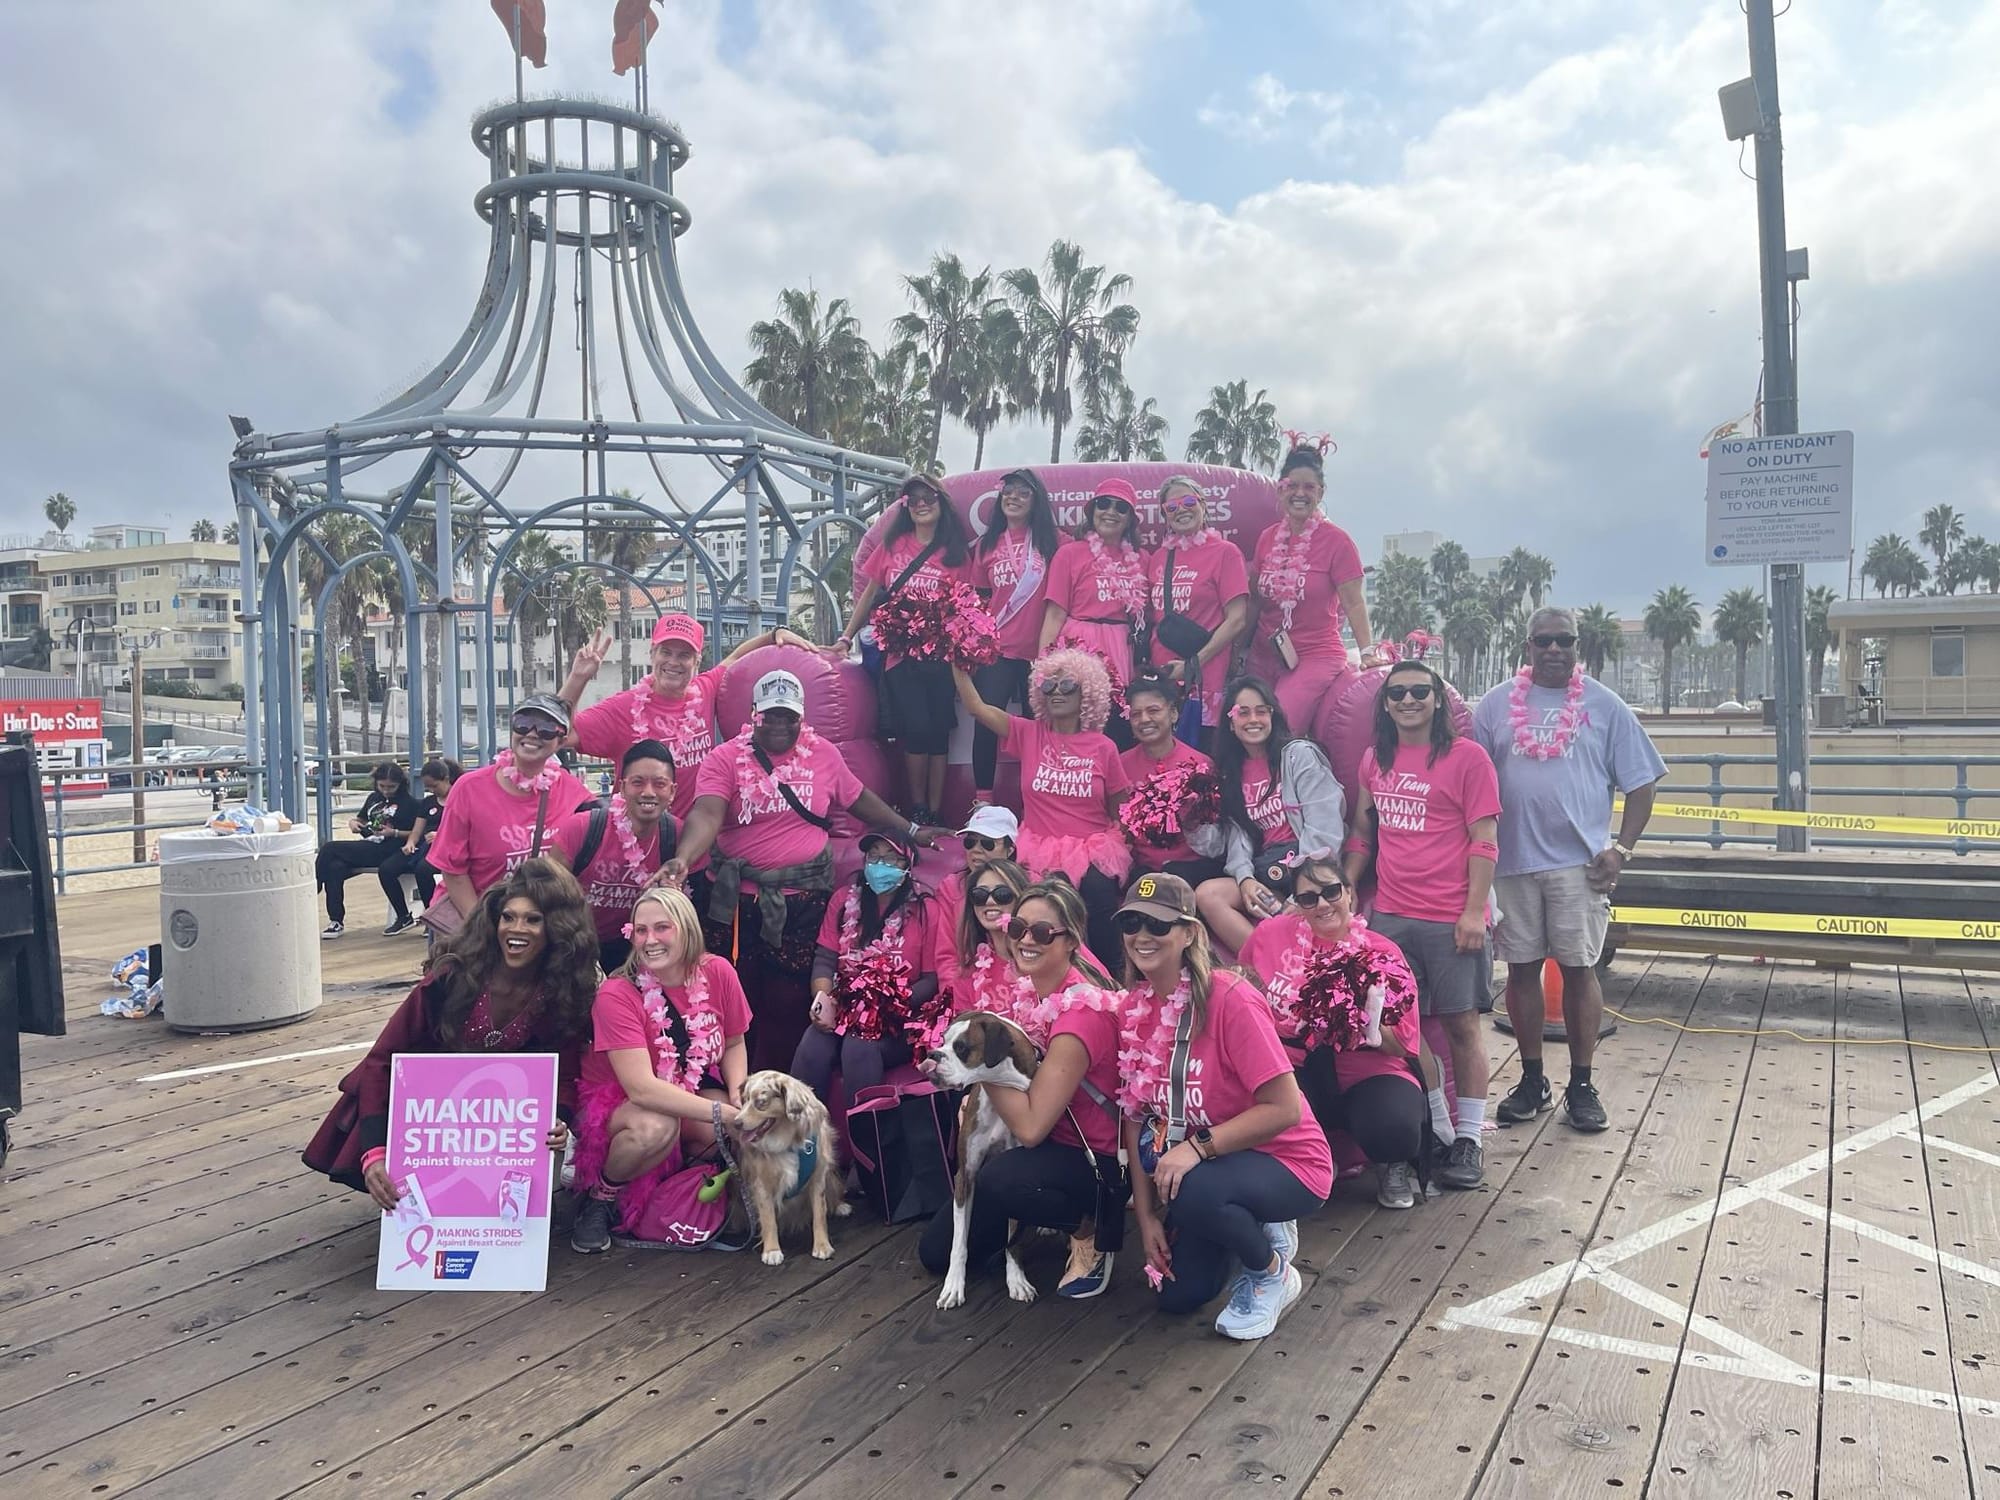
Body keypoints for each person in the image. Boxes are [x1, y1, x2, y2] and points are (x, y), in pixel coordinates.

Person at [664, 669, 943, 1072]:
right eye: (770, 716)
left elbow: (859, 799)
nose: (779, 725)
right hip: (736, 905)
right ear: (753, 714)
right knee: (735, 1000)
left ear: (802, 718)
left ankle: (787, 1097)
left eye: (788, 716)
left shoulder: (824, 755)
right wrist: (683, 859)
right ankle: (736, 1094)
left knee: (793, 1002)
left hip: (805, 902)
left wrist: (911, 830)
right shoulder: (723, 759)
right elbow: (707, 813)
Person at [303, 858, 598, 1205]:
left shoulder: (560, 991)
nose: (517, 928)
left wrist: (559, 1118)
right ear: (493, 919)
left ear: (556, 929)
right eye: (508, 916)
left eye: (533, 920)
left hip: (498, 1119)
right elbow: (383, 1060)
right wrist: (375, 1151)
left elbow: (563, 1072)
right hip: (424, 1115)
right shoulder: (452, 977)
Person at [1472, 607, 1665, 1134]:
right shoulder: (1494, 704)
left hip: (1579, 867)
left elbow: (1643, 783)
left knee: (1580, 971)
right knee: (1520, 970)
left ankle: (1582, 1084)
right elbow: (1469, 775)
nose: (1554, 649)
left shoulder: (1605, 705)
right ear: (1527, 645)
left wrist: (1621, 850)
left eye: (1564, 641)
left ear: (1577, 646)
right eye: (1544, 641)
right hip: (1510, 863)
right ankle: (1532, 1080)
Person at [1116, 872, 1330, 1338]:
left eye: (1159, 925)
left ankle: (1272, 1270)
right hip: (1206, 1168)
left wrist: (1196, 1149)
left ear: (1190, 932)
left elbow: (1284, 1109)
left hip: (1285, 1160)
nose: (1142, 936)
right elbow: (1136, 1120)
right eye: (1132, 922)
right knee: (1178, 1297)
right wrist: (1148, 1216)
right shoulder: (1134, 1008)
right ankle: (1246, 1223)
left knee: (1195, 1192)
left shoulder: (1230, 999)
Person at [917, 880, 1128, 1298]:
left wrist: (976, 1075)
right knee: (935, 1252)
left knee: (1000, 1180)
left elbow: (1030, 1127)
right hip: (1044, 1146)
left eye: (1043, 932)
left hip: (1086, 1156)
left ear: (1072, 940)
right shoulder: (1029, 996)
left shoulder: (1081, 1011)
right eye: (1018, 928)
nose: (1025, 940)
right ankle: (1022, 1234)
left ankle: (1087, 1230)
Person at [1344, 660, 1501, 1190]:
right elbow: (1364, 830)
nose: (1408, 700)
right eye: (1397, 693)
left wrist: (1473, 911)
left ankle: (1470, 1140)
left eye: (1419, 691)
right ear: (1384, 704)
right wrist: (1346, 885)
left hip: (1449, 916)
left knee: (1461, 1027)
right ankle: (1436, 1126)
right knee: (1402, 1032)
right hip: (1391, 915)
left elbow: (1484, 840)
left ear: (1437, 699)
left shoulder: (1467, 758)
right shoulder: (1374, 759)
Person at [569, 885, 752, 1253]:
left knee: (731, 1132)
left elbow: (733, 1042)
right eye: (640, 930)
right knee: (657, 1126)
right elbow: (642, 1090)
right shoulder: (617, 995)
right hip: (621, 1106)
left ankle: (672, 1192)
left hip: (686, 1088)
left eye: (661, 928)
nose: (650, 940)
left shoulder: (718, 972)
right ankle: (601, 1198)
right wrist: (725, 1113)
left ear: (686, 929)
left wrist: (740, 1098)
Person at [1239, 857, 1428, 1209]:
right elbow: (1243, 986)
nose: (1322, 904)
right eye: (1309, 898)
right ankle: (1312, 1161)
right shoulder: (1270, 935)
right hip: (1292, 1066)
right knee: (1256, 1103)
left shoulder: (1381, 952)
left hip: (1366, 1070)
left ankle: (1390, 1162)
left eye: (1331, 892)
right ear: (1297, 905)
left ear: (1349, 894)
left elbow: (1401, 1043)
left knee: (1393, 1124)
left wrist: (1363, 1015)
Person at [951, 651, 1131, 965]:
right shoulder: (1028, 733)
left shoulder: (1104, 747)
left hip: (1093, 847)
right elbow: (977, 708)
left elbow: (1120, 808)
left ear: (1086, 692)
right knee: (1049, 901)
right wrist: (957, 664)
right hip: (1039, 847)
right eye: (1048, 686)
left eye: (1067, 685)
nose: (1057, 692)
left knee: (1100, 895)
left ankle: (1110, 981)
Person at [561, 612, 814, 821]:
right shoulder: (623, 707)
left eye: (684, 655)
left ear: (697, 661)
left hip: (696, 848)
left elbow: (736, 657)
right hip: (636, 845)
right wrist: (578, 677)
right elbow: (561, 733)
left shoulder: (706, 688)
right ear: (652, 654)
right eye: (666, 652)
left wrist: (774, 634)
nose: (673, 662)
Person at [835, 474, 975, 825]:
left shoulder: (957, 554)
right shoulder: (893, 546)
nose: (921, 504)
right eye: (913, 499)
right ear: (906, 507)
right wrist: (846, 635)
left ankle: (936, 809)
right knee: (915, 729)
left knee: (940, 730)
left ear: (941, 503)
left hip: (942, 656)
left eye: (928, 497)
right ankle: (917, 808)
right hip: (901, 655)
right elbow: (870, 592)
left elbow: (966, 605)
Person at [1195, 678, 1347, 955]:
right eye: (1243, 712)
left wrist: (1300, 893)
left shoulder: (1298, 756)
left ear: (1272, 716)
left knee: (1299, 908)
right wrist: (1245, 880)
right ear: (1231, 723)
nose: (1253, 719)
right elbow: (1235, 838)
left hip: (1309, 868)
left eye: (1261, 711)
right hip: (1267, 872)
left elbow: (1325, 831)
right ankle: (1269, 967)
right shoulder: (1230, 772)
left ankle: (1275, 965)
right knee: (1208, 894)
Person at [792, 832, 941, 1112]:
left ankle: (868, 1147)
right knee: (814, 1043)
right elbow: (825, 958)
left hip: (900, 1018)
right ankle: (801, 1141)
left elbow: (931, 981)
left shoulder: (925, 910)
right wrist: (823, 999)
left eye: (889, 858)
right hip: (846, 1009)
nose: (879, 864)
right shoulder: (843, 900)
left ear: (906, 865)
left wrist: (880, 1006)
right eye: (874, 856)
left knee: (859, 1044)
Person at [1247, 442, 1385, 734]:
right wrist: (1239, 650)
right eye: (1292, 486)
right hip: (1265, 654)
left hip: (1315, 655)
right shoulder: (1267, 539)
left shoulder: (1337, 541)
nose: (1300, 493)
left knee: (1277, 728)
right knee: (1245, 725)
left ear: (1320, 493)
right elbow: (1256, 601)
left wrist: (1368, 651)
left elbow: (1354, 603)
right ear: (1280, 489)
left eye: (1309, 487)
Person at [426, 694, 594, 922]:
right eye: (523, 724)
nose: (532, 733)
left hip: (531, 928)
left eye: (546, 729)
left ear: (561, 741)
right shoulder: (469, 788)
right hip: (474, 919)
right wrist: (482, 929)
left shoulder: (572, 790)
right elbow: (453, 870)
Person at [547, 739, 679, 973]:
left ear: (672, 791)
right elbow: (546, 897)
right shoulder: (582, 829)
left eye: (659, 784)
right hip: (574, 946)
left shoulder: (677, 837)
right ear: (622, 786)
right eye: (638, 782)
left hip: (640, 952)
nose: (648, 792)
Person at [970, 469, 1061, 804]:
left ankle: (1043, 799)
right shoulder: (987, 546)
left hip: (1044, 653)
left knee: (1043, 728)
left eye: (1023, 492)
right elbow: (977, 602)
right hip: (998, 652)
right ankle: (983, 801)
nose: (1014, 498)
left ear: (1036, 501)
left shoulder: (1055, 542)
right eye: (1008, 491)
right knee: (986, 723)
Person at [1040, 477, 1149, 743]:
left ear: (1130, 519)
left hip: (1121, 646)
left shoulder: (1142, 558)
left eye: (1121, 508)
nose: (1110, 512)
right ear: (1092, 512)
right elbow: (1054, 614)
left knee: (1116, 726)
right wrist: (1043, 667)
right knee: (1077, 722)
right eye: (1103, 504)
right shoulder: (1069, 554)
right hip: (1079, 645)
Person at [1145, 477, 1249, 736]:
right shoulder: (1158, 557)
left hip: (1204, 679)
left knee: (1199, 759)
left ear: (1202, 505)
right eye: (1172, 507)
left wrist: (1193, 664)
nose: (1181, 509)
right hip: (1163, 678)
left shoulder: (1225, 552)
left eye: (1188, 501)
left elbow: (1237, 619)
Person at [1120, 674, 1224, 886]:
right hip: (1142, 872)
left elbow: (1216, 835)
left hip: (1193, 871)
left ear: (1174, 713)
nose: (1145, 720)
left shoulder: (1201, 764)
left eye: (1154, 711)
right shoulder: (1120, 765)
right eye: (1136, 714)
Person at [317, 762, 424, 938]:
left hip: (391, 848)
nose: (386, 790)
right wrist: (355, 823)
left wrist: (394, 833)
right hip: (371, 844)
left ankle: (315, 884)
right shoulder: (374, 798)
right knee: (335, 867)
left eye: (391, 787)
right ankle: (336, 920)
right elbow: (361, 818)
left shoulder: (410, 804)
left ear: (400, 784)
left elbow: (417, 833)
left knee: (330, 848)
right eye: (382, 786)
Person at [928, 804, 1021, 997]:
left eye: (987, 843)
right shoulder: (951, 887)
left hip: (1023, 991)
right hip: (970, 994)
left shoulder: (1030, 884)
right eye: (970, 842)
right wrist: (956, 1005)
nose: (976, 850)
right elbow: (947, 958)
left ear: (1010, 849)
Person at [937, 856, 1032, 1011]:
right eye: (979, 895)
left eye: (1002, 894)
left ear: (1021, 898)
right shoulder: (968, 973)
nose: (989, 901)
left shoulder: (1049, 950)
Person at [377, 758, 458, 935]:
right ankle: (403, 915)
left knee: (424, 870)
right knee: (387, 869)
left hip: (446, 846)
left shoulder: (459, 798)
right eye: (428, 787)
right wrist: (411, 842)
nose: (431, 790)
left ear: (446, 779)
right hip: (423, 846)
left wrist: (441, 835)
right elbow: (418, 828)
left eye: (434, 786)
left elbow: (464, 827)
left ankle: (432, 915)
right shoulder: (428, 803)